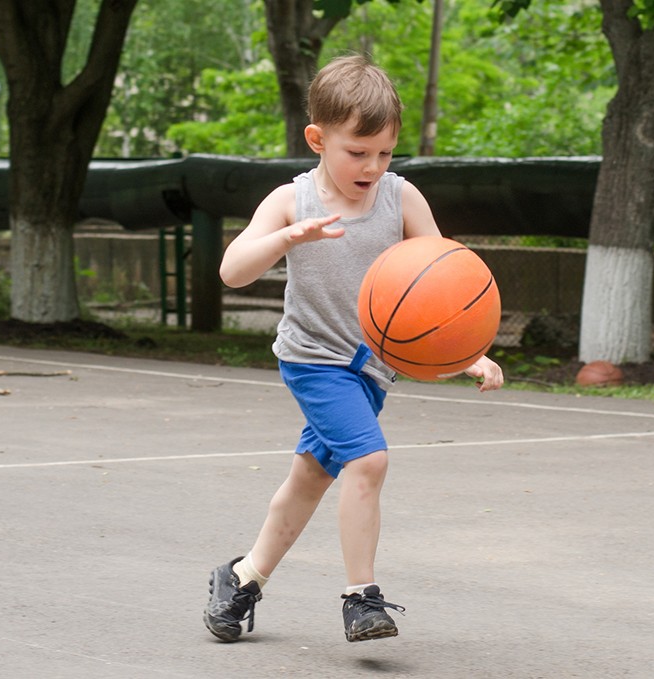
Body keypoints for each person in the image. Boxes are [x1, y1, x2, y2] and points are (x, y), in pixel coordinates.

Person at [204, 55, 504, 644]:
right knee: (368, 461)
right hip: (314, 360)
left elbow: (443, 286)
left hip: (372, 369)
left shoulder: (401, 198)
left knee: (311, 477)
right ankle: (361, 598)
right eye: (358, 152)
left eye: (385, 153)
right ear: (318, 139)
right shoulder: (291, 201)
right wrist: (286, 236)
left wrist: (464, 351)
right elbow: (232, 271)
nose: (373, 166)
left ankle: (242, 577)